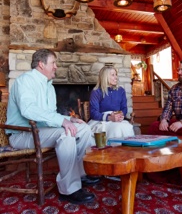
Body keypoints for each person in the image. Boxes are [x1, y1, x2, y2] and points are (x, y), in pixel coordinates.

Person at [6, 49, 101, 205]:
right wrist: (63, 122)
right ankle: (69, 189)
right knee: (66, 134)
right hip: (22, 134)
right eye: (53, 63)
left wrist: (70, 119)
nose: (56, 67)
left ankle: (81, 174)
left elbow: (48, 116)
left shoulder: (49, 85)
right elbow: (28, 110)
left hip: (40, 131)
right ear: (41, 64)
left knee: (83, 129)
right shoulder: (25, 81)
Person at [88, 65, 134, 140]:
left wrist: (121, 115)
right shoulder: (96, 92)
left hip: (117, 119)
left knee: (128, 127)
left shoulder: (120, 91)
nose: (116, 77)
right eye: (113, 75)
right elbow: (93, 112)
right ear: (105, 77)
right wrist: (109, 117)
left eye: (116, 75)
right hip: (101, 121)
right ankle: (114, 151)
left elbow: (124, 108)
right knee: (116, 129)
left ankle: (127, 151)